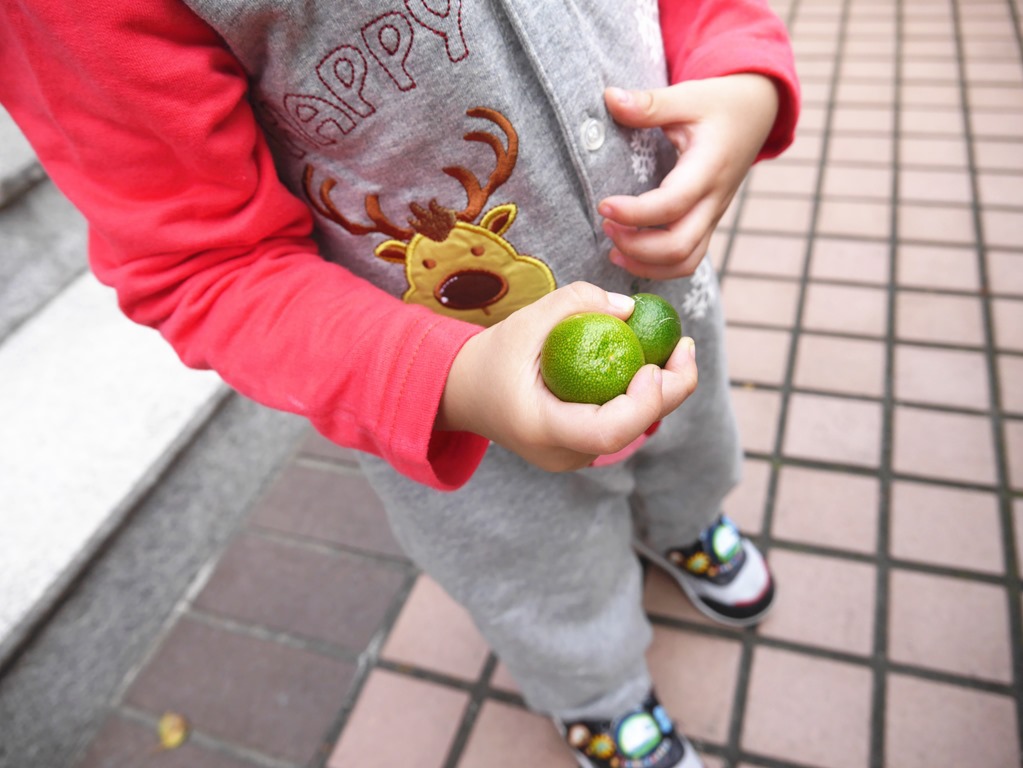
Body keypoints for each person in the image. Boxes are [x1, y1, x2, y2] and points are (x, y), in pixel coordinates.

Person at [1, 1, 799, 765]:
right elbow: (204, 261)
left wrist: (739, 69)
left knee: (694, 437)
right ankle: (599, 696)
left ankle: (684, 523)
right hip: (460, 406)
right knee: (537, 573)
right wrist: (450, 379)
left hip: (670, 304)